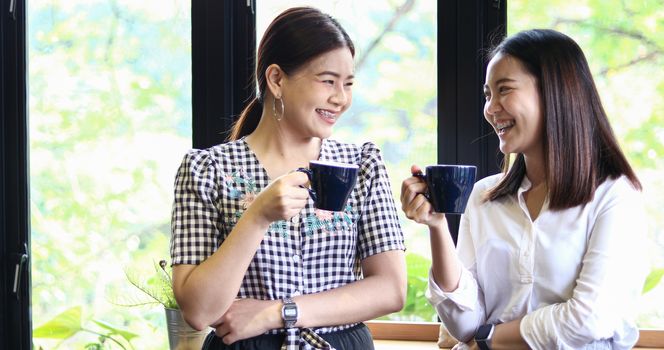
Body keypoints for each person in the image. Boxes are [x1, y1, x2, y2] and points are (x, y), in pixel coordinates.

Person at [170, 6, 407, 350]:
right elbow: (199, 310)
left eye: (348, 84)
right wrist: (258, 216)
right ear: (277, 79)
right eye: (327, 81)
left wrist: (279, 312)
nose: (340, 98)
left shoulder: (361, 164)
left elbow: (391, 289)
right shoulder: (206, 171)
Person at [400, 29, 648, 350]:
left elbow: (589, 318)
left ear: (555, 93)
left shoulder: (614, 195)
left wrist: (489, 340)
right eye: (488, 94)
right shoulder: (484, 196)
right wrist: (436, 226)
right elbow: (464, 324)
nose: (491, 108)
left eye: (504, 90)